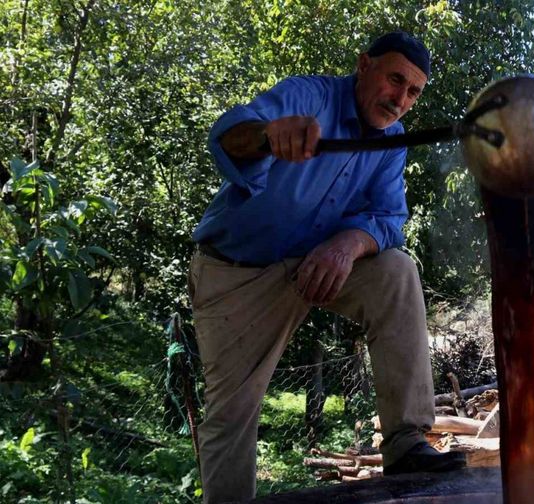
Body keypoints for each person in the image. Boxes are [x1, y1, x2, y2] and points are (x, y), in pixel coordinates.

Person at [188, 32, 465, 503]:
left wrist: (348, 243)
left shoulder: (393, 140)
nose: (400, 99)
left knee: (396, 271)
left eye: (413, 92)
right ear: (363, 66)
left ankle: (405, 441)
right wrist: (264, 137)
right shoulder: (308, 96)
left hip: (315, 266)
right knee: (230, 416)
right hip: (236, 273)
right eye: (395, 79)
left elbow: (389, 219)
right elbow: (226, 137)